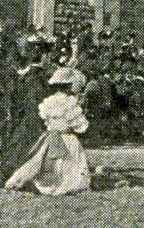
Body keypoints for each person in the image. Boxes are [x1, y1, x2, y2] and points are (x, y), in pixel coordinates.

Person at [6, 66, 90, 196]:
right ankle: (66, 184)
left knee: (40, 159)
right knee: (69, 162)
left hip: (50, 136)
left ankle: (28, 182)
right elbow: (81, 126)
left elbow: (45, 120)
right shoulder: (71, 102)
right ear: (69, 86)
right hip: (67, 137)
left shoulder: (48, 101)